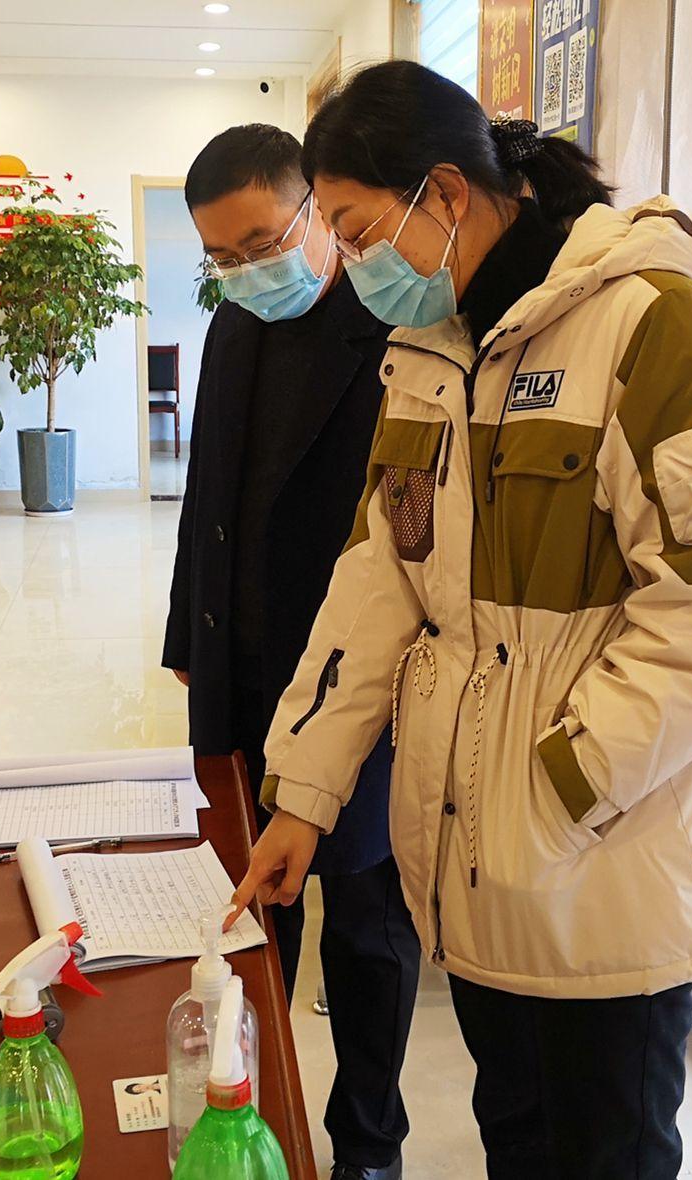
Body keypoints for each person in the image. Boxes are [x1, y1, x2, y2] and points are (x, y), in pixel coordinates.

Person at [231, 62, 692, 1179]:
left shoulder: (647, 321)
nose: (353, 265)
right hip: (480, 875)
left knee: (604, 1155)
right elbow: (379, 581)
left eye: (357, 231)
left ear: (446, 193)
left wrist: (561, 786)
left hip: (608, 880)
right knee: (518, 1144)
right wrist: (304, 791)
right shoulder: (429, 350)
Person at [164, 124, 419, 1180]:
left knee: (366, 924)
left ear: (315, 208)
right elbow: (206, 493)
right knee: (254, 913)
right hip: (244, 668)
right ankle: (255, 1117)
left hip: (355, 682)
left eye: (263, 243)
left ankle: (368, 1141)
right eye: (222, 256)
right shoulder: (236, 320)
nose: (246, 270)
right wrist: (187, 635)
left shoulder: (397, 324)